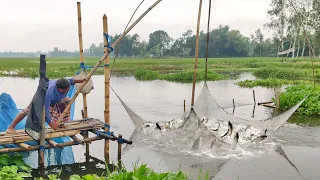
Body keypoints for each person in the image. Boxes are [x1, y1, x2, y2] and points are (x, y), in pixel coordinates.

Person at [6, 77, 85, 134]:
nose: (69, 90)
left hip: (57, 98)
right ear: (60, 90)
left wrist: (82, 80)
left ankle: (60, 123)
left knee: (66, 102)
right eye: (67, 90)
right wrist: (51, 124)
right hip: (41, 96)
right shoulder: (49, 94)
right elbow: (46, 111)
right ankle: (11, 127)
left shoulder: (64, 82)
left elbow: (71, 80)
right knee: (28, 110)